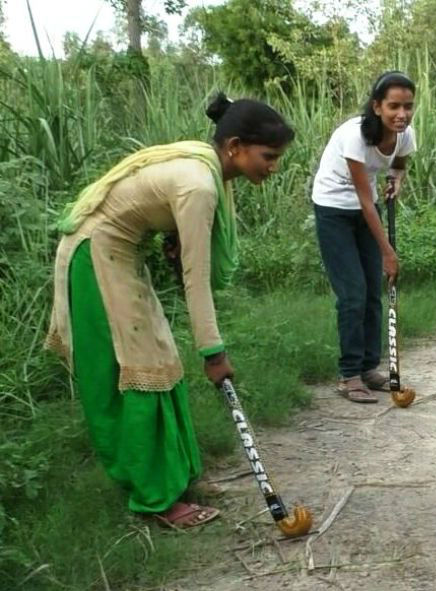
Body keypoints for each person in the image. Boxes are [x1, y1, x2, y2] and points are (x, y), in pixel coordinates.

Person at [45, 93, 294, 529]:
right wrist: (213, 353)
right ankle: (155, 497)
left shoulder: (208, 172)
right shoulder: (199, 185)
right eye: (268, 155)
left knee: (160, 360)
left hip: (121, 252)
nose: (273, 166)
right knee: (138, 368)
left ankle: (175, 477)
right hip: (96, 256)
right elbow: (196, 280)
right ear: (234, 146)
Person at [312, 71, 417, 403]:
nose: (401, 114)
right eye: (393, 106)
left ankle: (370, 368)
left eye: (408, 106)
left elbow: (399, 162)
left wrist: (397, 178)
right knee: (353, 294)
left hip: (364, 208)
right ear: (377, 106)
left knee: (374, 292)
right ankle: (349, 375)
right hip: (333, 209)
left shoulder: (404, 135)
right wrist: (387, 250)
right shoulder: (355, 135)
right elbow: (362, 199)